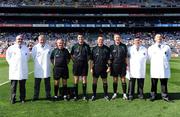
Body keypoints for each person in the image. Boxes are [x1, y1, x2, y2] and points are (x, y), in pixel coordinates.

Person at [6, 35, 30, 104]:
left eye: (21, 39)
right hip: (14, 70)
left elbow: (27, 57)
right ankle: (13, 98)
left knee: (22, 86)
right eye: (18, 39)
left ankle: (22, 98)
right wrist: (12, 64)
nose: (20, 40)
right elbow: (8, 57)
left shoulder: (26, 48)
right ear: (16, 40)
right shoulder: (11, 48)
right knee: (13, 86)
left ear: (23, 40)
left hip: (23, 69)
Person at [148, 34, 171, 102]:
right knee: (154, 83)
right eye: (157, 37)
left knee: (164, 83)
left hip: (164, 68)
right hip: (155, 67)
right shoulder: (151, 48)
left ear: (162, 38)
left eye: (160, 37)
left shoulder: (167, 47)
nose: (159, 38)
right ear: (154, 39)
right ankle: (153, 95)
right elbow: (150, 58)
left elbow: (168, 57)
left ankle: (165, 96)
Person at [71, 33, 91, 101]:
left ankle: (84, 95)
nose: (80, 39)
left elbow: (88, 56)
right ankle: (76, 96)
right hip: (76, 65)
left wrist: (85, 61)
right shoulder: (74, 46)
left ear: (83, 38)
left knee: (84, 79)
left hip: (84, 65)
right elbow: (71, 55)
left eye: (81, 37)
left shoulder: (87, 46)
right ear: (77, 38)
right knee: (76, 80)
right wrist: (75, 61)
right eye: (79, 37)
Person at [90, 35, 110, 101]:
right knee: (94, 81)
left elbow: (109, 59)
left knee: (105, 81)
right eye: (99, 40)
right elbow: (91, 60)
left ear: (103, 41)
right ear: (97, 41)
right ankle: (94, 95)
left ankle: (106, 95)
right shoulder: (94, 49)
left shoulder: (106, 49)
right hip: (96, 68)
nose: (100, 41)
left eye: (101, 40)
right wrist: (91, 68)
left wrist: (109, 67)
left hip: (104, 67)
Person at [31, 35, 52, 101]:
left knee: (47, 84)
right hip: (38, 68)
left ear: (45, 40)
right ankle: (35, 96)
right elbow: (33, 57)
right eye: (40, 39)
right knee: (37, 84)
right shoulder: (35, 47)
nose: (42, 40)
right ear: (38, 40)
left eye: (43, 39)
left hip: (46, 68)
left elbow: (51, 57)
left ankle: (48, 96)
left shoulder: (49, 47)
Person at [110, 34, 128, 100]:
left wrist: (127, 65)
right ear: (114, 38)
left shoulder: (124, 46)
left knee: (123, 79)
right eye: (116, 37)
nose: (117, 38)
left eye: (118, 37)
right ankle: (115, 93)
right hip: (114, 65)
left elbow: (126, 57)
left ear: (120, 38)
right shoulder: (111, 47)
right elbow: (110, 58)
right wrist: (109, 66)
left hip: (122, 65)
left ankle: (124, 94)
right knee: (115, 80)